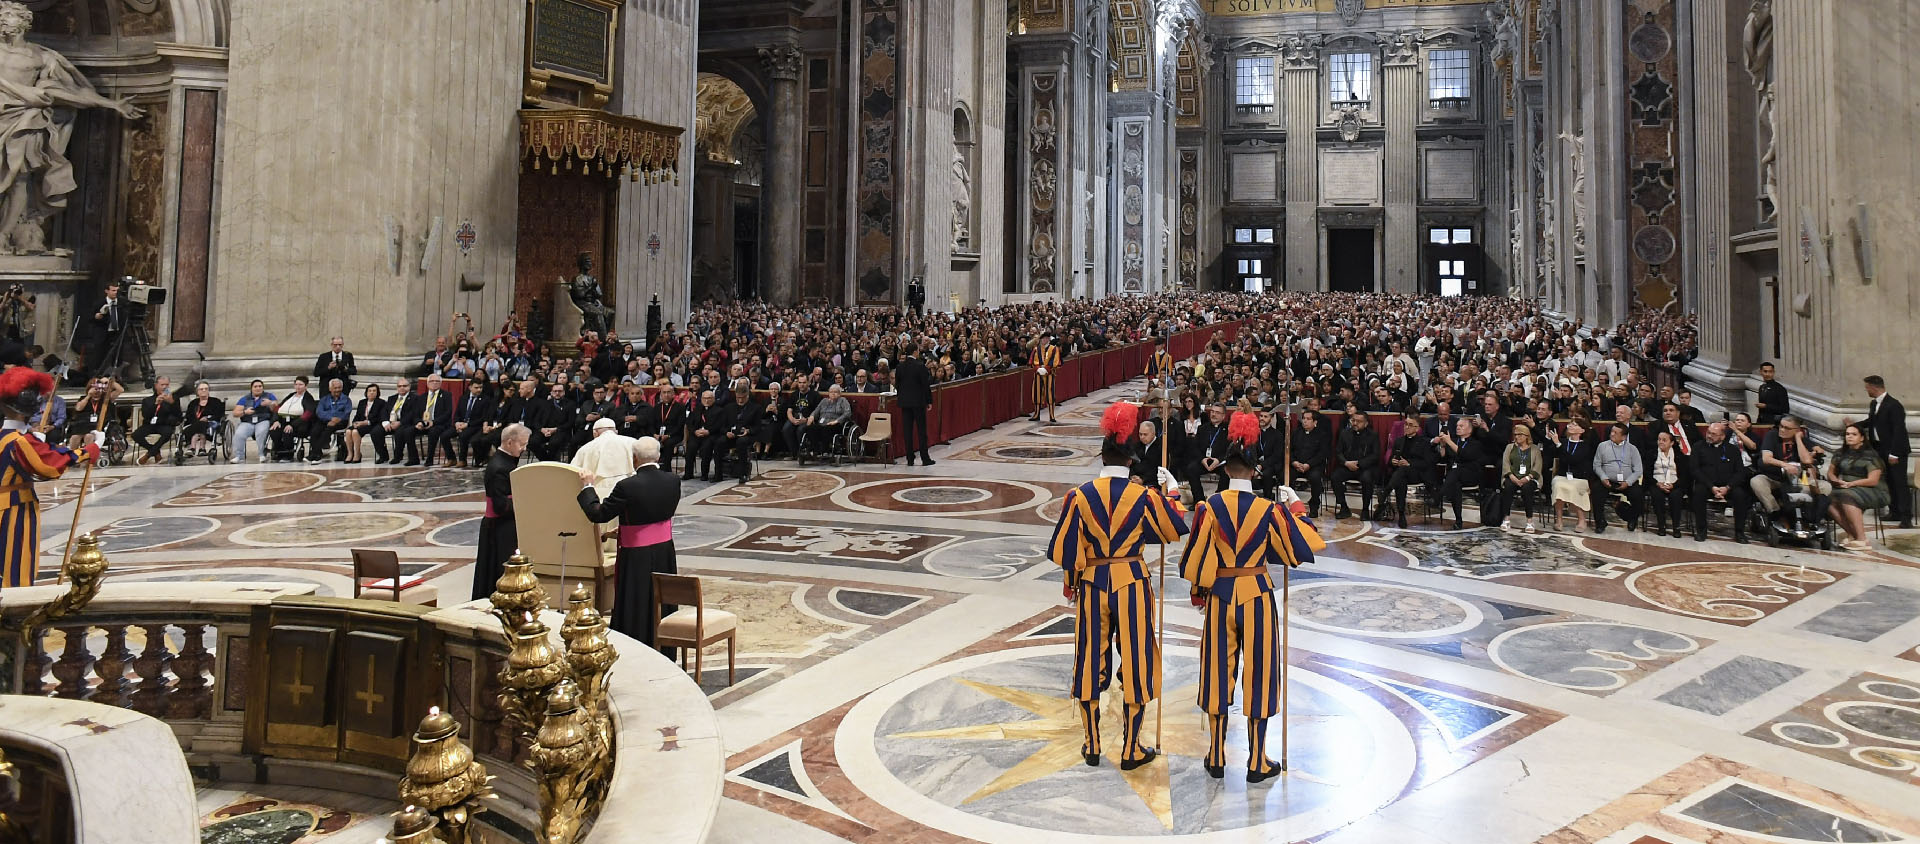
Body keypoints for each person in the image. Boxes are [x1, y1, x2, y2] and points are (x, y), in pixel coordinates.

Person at [1180, 410, 1323, 783]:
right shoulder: (1269, 510)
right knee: (1259, 673)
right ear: (1256, 471)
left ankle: (1215, 753)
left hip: (1221, 594)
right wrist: (1297, 509)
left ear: (1225, 469)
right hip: (1257, 594)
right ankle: (1257, 759)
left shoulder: (1208, 507)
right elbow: (1298, 549)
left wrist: (1200, 593)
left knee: (1216, 671)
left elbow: (1196, 559)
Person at [1046, 401, 1187, 771]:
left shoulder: (1078, 496)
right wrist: (1170, 491)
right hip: (1132, 583)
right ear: (1130, 460)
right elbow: (1173, 528)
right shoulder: (1143, 496)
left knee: (1091, 659)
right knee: (1137, 660)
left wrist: (1072, 582)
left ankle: (1092, 743)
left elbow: (1064, 549)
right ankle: (1131, 748)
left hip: (1093, 583)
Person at [577, 436, 681, 647]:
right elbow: (654, 514)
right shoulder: (673, 480)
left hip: (637, 556)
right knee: (661, 597)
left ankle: (637, 645)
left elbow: (598, 514)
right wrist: (627, 528)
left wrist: (588, 487)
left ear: (634, 458)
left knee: (637, 601)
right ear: (659, 456)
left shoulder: (627, 486)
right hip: (664, 551)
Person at [0, 366, 93, 587]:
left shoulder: (10, 437)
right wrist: (90, 450)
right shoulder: (19, 441)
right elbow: (49, 466)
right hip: (15, 508)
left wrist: (35, 440)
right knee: (16, 566)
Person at [472, 423, 526, 601]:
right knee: (498, 570)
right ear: (510, 442)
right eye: (522, 444)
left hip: (505, 526)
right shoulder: (499, 468)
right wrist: (528, 502)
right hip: (499, 528)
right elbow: (500, 506)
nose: (524, 449)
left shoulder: (506, 462)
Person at [1751, 415, 1829, 521]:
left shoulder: (1802, 440)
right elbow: (1766, 458)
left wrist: (1798, 439)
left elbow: (1807, 460)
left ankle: (1808, 517)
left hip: (1799, 479)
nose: (1782, 430)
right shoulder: (1772, 435)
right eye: (1781, 426)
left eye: (1787, 428)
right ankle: (1775, 512)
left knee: (1825, 486)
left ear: (1797, 430)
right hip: (1775, 477)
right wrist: (1785, 465)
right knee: (1757, 481)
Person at [1828, 422, 1888, 551]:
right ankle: (1852, 534)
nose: (1849, 437)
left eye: (1854, 434)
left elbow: (1873, 480)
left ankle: (1862, 539)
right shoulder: (1840, 453)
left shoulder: (1871, 456)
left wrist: (1852, 483)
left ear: (1862, 437)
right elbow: (1831, 472)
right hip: (1846, 487)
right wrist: (1835, 480)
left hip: (1873, 489)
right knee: (1827, 501)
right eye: (1847, 434)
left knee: (1847, 496)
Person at [1691, 421, 1752, 543]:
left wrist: (1728, 487)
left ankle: (1739, 532)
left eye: (1713, 434)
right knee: (1698, 492)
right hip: (1707, 485)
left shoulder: (1732, 450)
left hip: (1728, 486)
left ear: (1722, 436)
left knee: (1740, 495)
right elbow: (1695, 470)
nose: (1709, 436)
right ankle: (1701, 531)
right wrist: (1711, 486)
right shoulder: (1698, 447)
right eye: (1708, 432)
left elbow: (1740, 472)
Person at [1863, 375, 1910, 528]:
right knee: (1888, 481)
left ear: (1874, 387)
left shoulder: (1894, 405)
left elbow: (1899, 430)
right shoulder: (1874, 404)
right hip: (1880, 448)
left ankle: (1906, 517)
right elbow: (1871, 422)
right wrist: (1853, 425)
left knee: (1899, 483)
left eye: (1867, 387)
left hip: (1894, 451)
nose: (1866, 390)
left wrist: (1894, 453)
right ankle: (1894, 511)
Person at [1437, 417, 1492, 530]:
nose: (1458, 428)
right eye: (1457, 426)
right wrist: (1443, 445)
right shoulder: (1452, 441)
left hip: (1471, 475)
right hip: (1455, 477)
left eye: (1461, 426)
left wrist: (1449, 442)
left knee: (1455, 472)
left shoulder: (1476, 443)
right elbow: (1443, 458)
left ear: (1469, 430)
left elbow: (1464, 455)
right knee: (1455, 484)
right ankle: (1458, 520)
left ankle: (1438, 496)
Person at [1385, 410, 1437, 528]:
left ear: (1417, 428)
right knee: (1400, 479)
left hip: (1417, 474)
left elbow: (1427, 462)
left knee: (1402, 470)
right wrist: (1393, 462)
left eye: (1410, 425)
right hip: (1401, 475)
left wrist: (1409, 463)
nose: (1406, 427)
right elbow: (1392, 458)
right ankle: (1402, 514)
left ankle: (1386, 490)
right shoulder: (1399, 441)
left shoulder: (1424, 442)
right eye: (1406, 424)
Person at [1546, 417, 1598, 532]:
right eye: (1570, 424)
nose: (1571, 426)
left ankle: (1581, 519)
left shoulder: (1585, 446)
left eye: (1575, 425)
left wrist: (1559, 445)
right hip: (1563, 475)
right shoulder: (1563, 442)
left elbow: (1573, 460)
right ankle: (1559, 520)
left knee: (1572, 487)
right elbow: (1551, 453)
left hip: (1579, 477)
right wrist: (1551, 441)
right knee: (1558, 485)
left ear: (1582, 430)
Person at [1594, 422, 1646, 533]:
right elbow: (1596, 465)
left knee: (1638, 495)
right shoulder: (1602, 446)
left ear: (1624, 436)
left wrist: (1628, 482)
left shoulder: (1632, 449)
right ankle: (1600, 522)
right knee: (1596, 491)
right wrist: (1603, 477)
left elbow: (1638, 470)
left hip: (1627, 482)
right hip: (1607, 481)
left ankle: (1632, 518)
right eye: (1612, 431)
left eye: (1615, 433)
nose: (1612, 434)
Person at [1331, 410, 1381, 520]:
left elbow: (1375, 455)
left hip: (1365, 467)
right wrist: (1346, 462)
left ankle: (1365, 509)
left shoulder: (1373, 435)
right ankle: (1344, 507)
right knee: (1335, 477)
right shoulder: (1345, 433)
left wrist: (1359, 463)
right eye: (1353, 420)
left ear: (1366, 423)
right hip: (1347, 466)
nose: (1355, 423)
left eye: (1359, 421)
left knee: (1367, 479)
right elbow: (1338, 451)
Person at [1498, 424, 1544, 531]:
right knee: (1508, 487)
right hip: (1512, 476)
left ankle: (1529, 521)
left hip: (1530, 478)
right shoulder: (1510, 447)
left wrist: (1527, 478)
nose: (1517, 437)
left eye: (1520, 434)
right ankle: (1506, 519)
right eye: (1515, 434)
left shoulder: (1535, 449)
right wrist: (1511, 476)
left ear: (1526, 436)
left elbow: (1538, 466)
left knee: (1527, 489)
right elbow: (1505, 464)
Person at [895, 340, 934, 466]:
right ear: (915, 352)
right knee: (921, 430)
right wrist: (929, 401)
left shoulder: (900, 366)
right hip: (918, 402)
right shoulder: (919, 365)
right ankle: (925, 458)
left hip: (905, 402)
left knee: (907, 431)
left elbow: (898, 384)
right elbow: (925, 385)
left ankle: (910, 459)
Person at [1288, 409, 1331, 517]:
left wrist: (1309, 464)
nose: (1305, 421)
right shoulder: (1296, 433)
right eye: (1303, 419)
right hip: (1296, 465)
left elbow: (1322, 454)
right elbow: (1289, 450)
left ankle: (1314, 505)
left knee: (1315, 478)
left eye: (1308, 419)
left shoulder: (1322, 434)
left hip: (1313, 466)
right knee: (1286, 475)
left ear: (1315, 422)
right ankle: (1291, 504)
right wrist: (1294, 462)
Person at [130, 376, 179, 465]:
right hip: (150, 424)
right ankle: (155, 452)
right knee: (135, 435)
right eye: (162, 385)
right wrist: (155, 404)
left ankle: (148, 455)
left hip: (165, 424)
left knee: (168, 433)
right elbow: (146, 415)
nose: (164, 387)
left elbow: (178, 415)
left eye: (167, 385)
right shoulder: (147, 400)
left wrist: (172, 403)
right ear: (156, 386)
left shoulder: (173, 399)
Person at [1647, 430, 1687, 536]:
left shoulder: (1679, 456)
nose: (1661, 442)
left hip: (1674, 484)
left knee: (1676, 496)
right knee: (1657, 496)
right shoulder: (1652, 454)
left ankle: (1676, 526)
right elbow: (1646, 473)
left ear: (1672, 443)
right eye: (1659, 440)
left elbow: (1684, 475)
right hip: (1657, 483)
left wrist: (1674, 485)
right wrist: (1657, 483)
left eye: (1664, 440)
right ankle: (1661, 525)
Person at [268, 376, 314, 461]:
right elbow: (278, 408)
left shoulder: (308, 398)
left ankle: (288, 454)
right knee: (274, 430)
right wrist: (276, 420)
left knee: (287, 431)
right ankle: (279, 451)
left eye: (300, 384)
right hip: (284, 420)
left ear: (306, 386)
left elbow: (307, 414)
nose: (298, 386)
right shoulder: (290, 396)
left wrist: (292, 425)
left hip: (299, 423)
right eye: (296, 384)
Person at [229, 379, 276, 464]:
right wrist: (245, 412)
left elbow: (277, 408)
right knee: (239, 434)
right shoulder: (245, 399)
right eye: (255, 386)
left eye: (260, 386)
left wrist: (270, 403)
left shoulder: (269, 396)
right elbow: (235, 413)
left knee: (261, 432)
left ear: (263, 388)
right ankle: (239, 456)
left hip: (263, 420)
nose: (258, 388)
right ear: (251, 388)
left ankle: (261, 454)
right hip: (248, 421)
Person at [345, 383, 386, 464]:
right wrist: (355, 423)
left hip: (372, 424)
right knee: (348, 431)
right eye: (369, 391)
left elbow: (378, 417)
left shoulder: (381, 403)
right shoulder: (362, 402)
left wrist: (365, 422)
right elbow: (357, 415)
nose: (371, 392)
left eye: (374, 391)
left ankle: (357, 454)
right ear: (366, 392)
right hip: (360, 424)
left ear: (377, 393)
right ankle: (350, 453)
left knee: (355, 432)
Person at [313, 378, 351, 463]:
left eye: (339, 387)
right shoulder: (324, 399)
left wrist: (336, 419)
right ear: (330, 389)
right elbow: (319, 412)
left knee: (328, 430)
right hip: (326, 420)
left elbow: (347, 413)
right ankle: (317, 453)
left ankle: (314, 454)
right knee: (315, 430)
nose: (337, 390)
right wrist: (330, 418)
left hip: (341, 421)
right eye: (335, 388)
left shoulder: (346, 400)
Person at [182, 381, 223, 457]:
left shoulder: (216, 402)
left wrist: (208, 418)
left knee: (202, 424)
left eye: (206, 389)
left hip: (210, 424)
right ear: (197, 392)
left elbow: (219, 414)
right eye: (201, 389)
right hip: (193, 425)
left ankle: (193, 448)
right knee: (199, 424)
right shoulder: (193, 403)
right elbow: (188, 416)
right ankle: (201, 449)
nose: (204, 390)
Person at [1029, 334, 1061, 423]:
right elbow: (1032, 361)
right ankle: (1036, 413)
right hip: (1038, 374)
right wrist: (1038, 368)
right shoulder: (1036, 349)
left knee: (1050, 393)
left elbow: (1055, 361)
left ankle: (1052, 415)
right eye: (1043, 338)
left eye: (1046, 338)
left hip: (1049, 374)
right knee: (1037, 393)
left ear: (1048, 339)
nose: (1044, 340)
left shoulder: (1054, 349)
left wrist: (1047, 369)